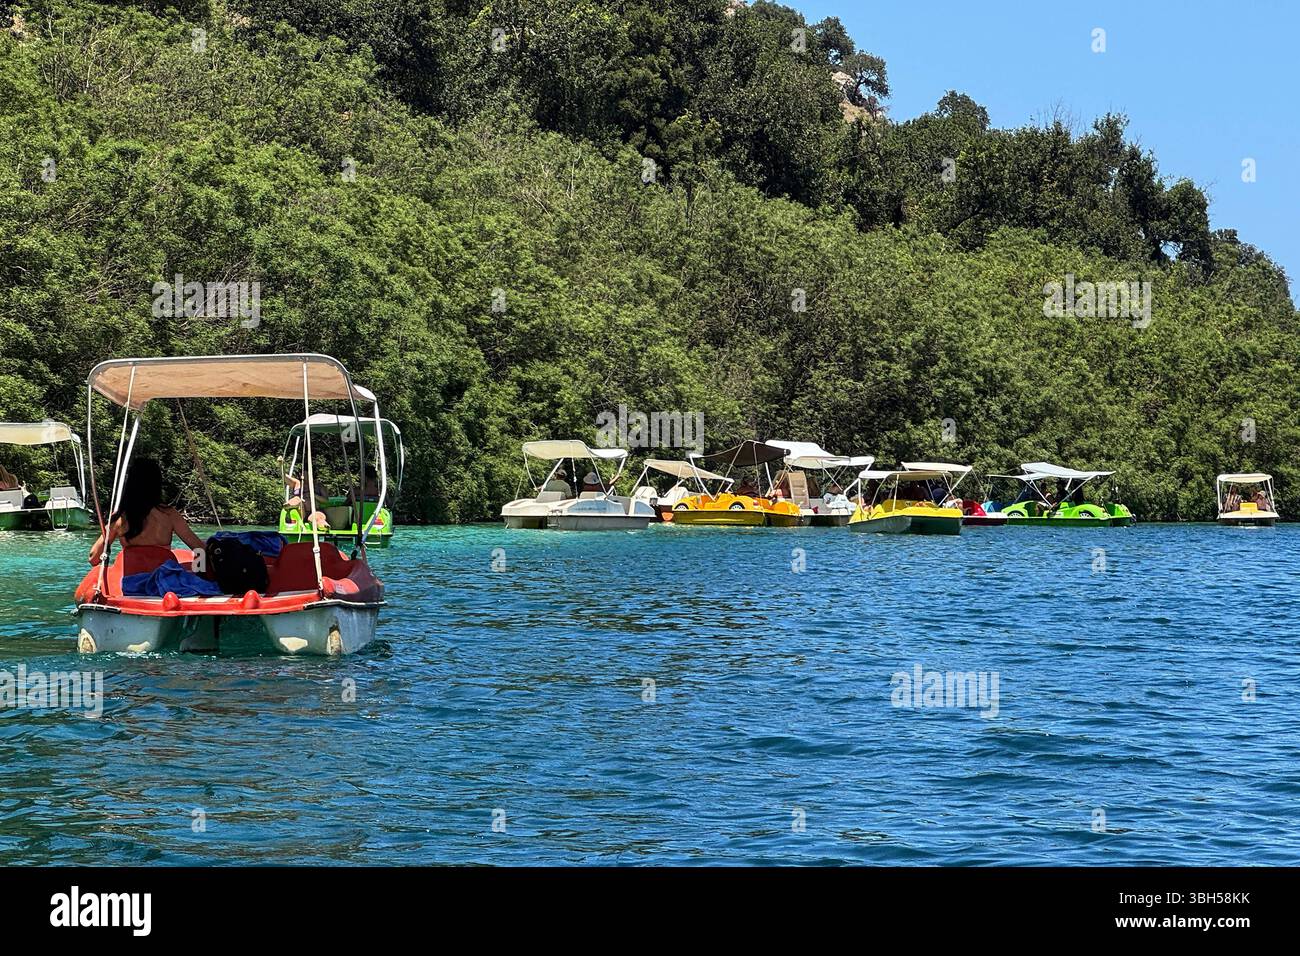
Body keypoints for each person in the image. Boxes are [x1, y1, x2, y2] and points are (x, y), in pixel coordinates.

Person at [89, 458, 204, 566]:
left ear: (130, 484)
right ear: (157, 484)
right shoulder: (169, 514)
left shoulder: (120, 517)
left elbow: (93, 558)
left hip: (132, 579)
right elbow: (199, 549)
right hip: (164, 577)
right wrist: (200, 575)